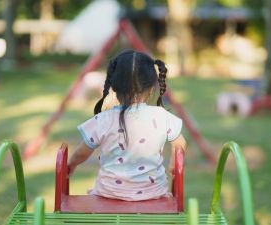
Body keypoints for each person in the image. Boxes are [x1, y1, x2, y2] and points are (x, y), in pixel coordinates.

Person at [68, 50, 186, 201]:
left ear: (114, 89)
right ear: (151, 89)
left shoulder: (103, 119)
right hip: (153, 194)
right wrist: (173, 165)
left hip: (109, 194)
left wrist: (70, 164)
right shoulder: (162, 116)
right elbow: (180, 143)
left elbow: (81, 153)